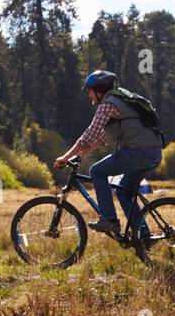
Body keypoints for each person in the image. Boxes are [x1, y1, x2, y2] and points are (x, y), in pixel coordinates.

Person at [54, 70, 163, 235]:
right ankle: (143, 235)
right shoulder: (119, 101)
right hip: (151, 153)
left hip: (138, 152)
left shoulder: (108, 104)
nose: (89, 95)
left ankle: (109, 220)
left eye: (90, 91)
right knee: (124, 191)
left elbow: (90, 134)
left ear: (99, 90)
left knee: (96, 171)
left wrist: (65, 157)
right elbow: (101, 138)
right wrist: (82, 154)